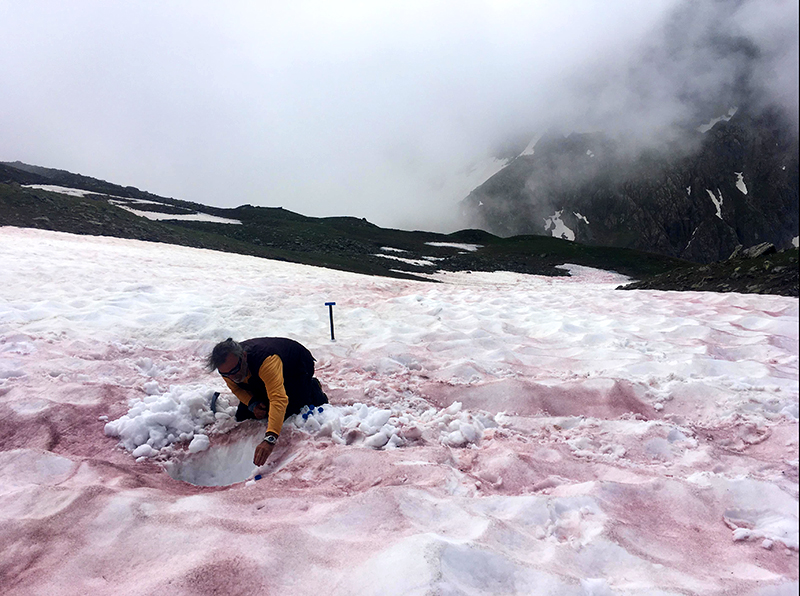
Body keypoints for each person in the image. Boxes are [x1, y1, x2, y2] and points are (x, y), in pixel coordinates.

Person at [206, 337, 328, 466]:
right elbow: (236, 388)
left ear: (244, 357)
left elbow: (278, 399)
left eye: (234, 371)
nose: (232, 377)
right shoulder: (227, 367)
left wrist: (270, 438)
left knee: (290, 411)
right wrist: (253, 404)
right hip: (260, 373)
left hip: (295, 366)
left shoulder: (266, 360)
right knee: (244, 415)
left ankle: (312, 388)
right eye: (225, 374)